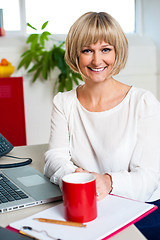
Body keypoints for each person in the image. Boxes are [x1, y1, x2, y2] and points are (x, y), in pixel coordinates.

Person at [44, 12, 160, 239]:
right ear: (75, 55)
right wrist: (82, 180)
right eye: (87, 50)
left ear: (117, 52)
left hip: (142, 209)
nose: (97, 61)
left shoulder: (143, 103)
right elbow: (54, 159)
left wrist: (107, 182)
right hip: (88, 205)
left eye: (105, 49)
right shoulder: (64, 102)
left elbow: (149, 177)